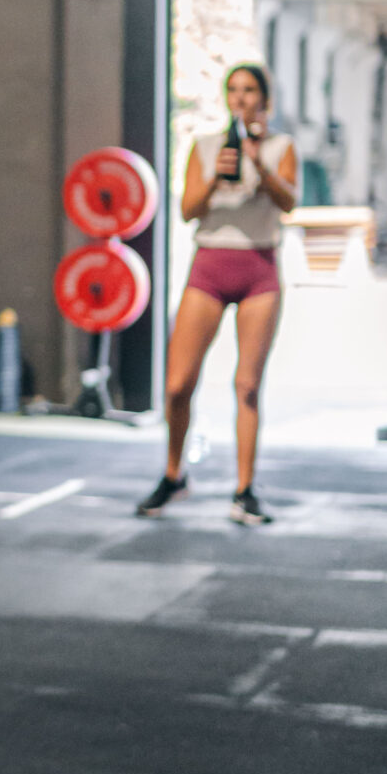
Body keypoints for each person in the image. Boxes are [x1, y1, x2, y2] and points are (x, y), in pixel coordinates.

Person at [137, 62, 298, 527]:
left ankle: (245, 490)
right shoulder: (206, 146)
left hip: (258, 267)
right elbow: (188, 210)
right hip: (209, 265)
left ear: (264, 99)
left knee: (247, 385)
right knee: (177, 384)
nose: (241, 98)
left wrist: (257, 163)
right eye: (234, 90)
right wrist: (215, 175)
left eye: (249, 90)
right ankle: (174, 474)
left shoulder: (281, 147)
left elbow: (289, 202)